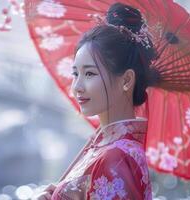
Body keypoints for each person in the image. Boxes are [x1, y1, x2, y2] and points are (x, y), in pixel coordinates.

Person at [34, 2, 160, 200]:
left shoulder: (115, 156)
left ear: (126, 80)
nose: (77, 86)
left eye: (90, 73)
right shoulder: (108, 147)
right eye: (75, 73)